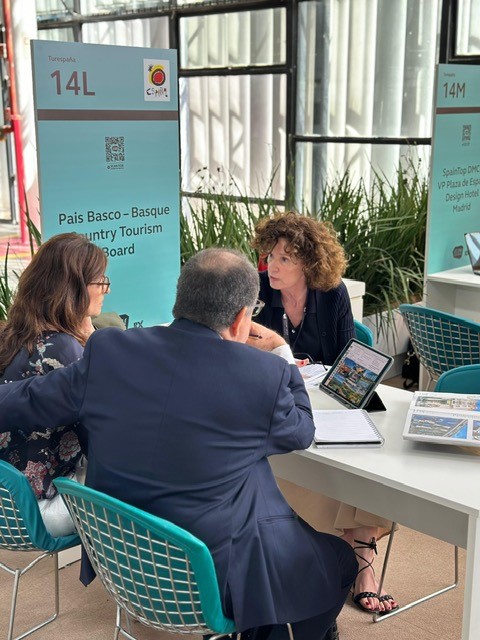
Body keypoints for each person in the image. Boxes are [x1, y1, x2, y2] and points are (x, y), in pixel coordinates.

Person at [0, 248, 356, 640]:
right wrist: (281, 355)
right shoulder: (264, 374)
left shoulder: (109, 351)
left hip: (121, 559)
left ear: (179, 299)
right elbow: (301, 430)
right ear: (242, 317)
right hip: (209, 574)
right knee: (339, 560)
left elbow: (22, 400)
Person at [252, 212, 398, 614]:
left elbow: (345, 359)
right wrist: (281, 359)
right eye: (270, 256)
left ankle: (358, 555)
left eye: (285, 258)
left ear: (308, 263)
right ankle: (356, 556)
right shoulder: (258, 290)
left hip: (327, 403)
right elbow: (241, 352)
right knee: (322, 457)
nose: (272, 266)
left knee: (369, 452)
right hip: (277, 403)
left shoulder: (332, 294)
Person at [0, 232, 110, 536]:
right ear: (75, 288)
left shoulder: (10, 335)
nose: (107, 289)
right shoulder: (65, 350)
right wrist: (91, 345)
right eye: (101, 281)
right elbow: (104, 433)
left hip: (5, 500)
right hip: (39, 507)